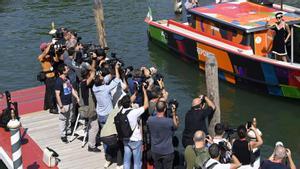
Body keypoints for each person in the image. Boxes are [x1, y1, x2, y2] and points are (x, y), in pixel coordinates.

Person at [119, 84, 149, 169]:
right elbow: (146, 105)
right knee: (137, 163)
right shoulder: (134, 112)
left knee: (126, 160)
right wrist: (144, 92)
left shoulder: (120, 111)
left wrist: (135, 93)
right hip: (135, 139)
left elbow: (128, 101)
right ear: (130, 103)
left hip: (125, 139)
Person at [147, 99, 179, 169]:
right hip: (167, 151)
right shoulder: (169, 121)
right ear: (165, 109)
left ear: (155, 108)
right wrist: (174, 114)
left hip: (155, 150)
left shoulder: (150, 120)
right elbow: (176, 127)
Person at [78, 53, 100, 152]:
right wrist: (93, 63)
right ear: (87, 74)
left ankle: (93, 141)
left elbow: (92, 72)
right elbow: (93, 73)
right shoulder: (84, 84)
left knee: (93, 126)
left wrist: (94, 60)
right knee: (95, 127)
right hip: (89, 109)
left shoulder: (82, 82)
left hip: (88, 107)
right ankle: (91, 145)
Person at [55, 64, 80, 143]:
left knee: (69, 117)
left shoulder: (67, 79)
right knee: (63, 119)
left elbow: (71, 88)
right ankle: (63, 135)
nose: (68, 69)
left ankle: (68, 131)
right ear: (63, 71)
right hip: (63, 103)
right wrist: (61, 106)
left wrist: (77, 97)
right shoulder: (59, 81)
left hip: (69, 102)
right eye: (66, 68)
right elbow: (57, 94)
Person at [37, 42, 59, 114]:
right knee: (51, 93)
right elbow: (44, 54)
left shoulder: (50, 56)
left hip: (53, 76)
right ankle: (52, 108)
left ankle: (47, 106)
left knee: (50, 92)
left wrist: (55, 52)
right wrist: (49, 45)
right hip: (48, 77)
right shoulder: (41, 57)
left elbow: (56, 60)